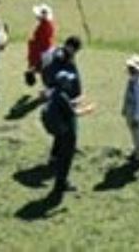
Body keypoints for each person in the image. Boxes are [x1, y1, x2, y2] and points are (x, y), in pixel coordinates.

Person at [41, 38, 89, 197]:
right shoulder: (59, 60)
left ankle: (57, 156)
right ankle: (60, 172)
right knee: (68, 137)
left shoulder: (56, 91)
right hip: (65, 111)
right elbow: (73, 113)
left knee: (61, 134)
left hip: (62, 110)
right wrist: (87, 108)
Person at [25, 4, 57, 89]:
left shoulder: (44, 25)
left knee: (45, 72)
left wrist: (32, 43)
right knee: (46, 70)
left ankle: (48, 89)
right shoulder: (48, 23)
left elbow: (40, 41)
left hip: (44, 51)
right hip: (48, 49)